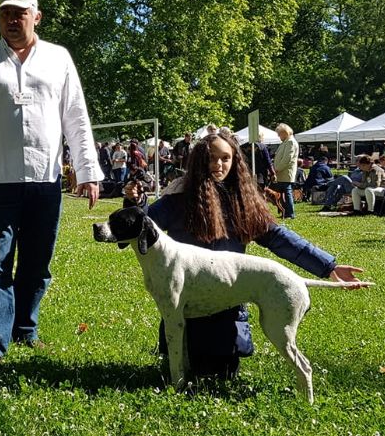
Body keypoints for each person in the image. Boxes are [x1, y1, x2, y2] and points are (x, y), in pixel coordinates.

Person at [123, 131, 366, 379]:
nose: (218, 165)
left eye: (225, 158)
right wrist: (136, 202)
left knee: (221, 372)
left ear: (234, 160)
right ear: (198, 161)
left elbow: (279, 238)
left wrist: (328, 266)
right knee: (191, 368)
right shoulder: (177, 198)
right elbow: (144, 225)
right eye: (211, 158)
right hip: (187, 307)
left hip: (227, 309)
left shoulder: (242, 200)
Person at [0, 0, 103, 369]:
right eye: (5, 13)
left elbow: (77, 118)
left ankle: (24, 328)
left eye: (20, 13)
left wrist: (87, 171)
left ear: (37, 16)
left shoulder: (58, 58)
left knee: (37, 263)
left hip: (45, 181)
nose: (12, 19)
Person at [271, 123, 299, 219]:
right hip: (282, 172)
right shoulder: (285, 142)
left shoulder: (291, 142)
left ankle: (290, 213)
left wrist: (277, 168)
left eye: (279, 134)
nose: (278, 136)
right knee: (283, 193)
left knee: (287, 192)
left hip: (286, 172)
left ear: (284, 132)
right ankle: (286, 212)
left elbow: (287, 158)